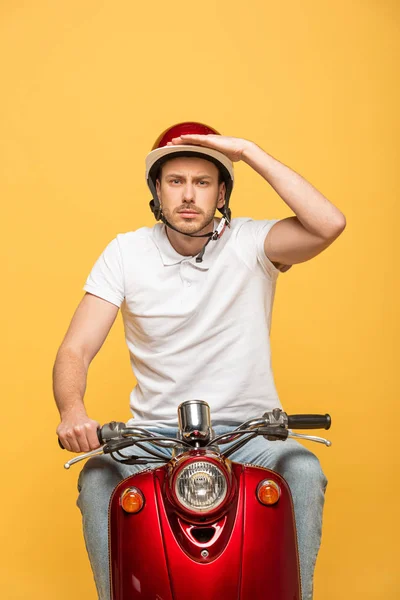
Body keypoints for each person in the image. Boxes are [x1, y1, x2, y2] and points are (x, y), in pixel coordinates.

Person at [53, 121, 346, 600]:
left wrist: (247, 151)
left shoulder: (254, 244)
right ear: (157, 191)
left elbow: (328, 224)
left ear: (222, 192)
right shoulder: (125, 253)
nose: (188, 195)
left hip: (249, 435)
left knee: (303, 470)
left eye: (203, 181)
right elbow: (76, 349)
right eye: (175, 181)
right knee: (98, 476)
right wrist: (73, 411)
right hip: (155, 438)